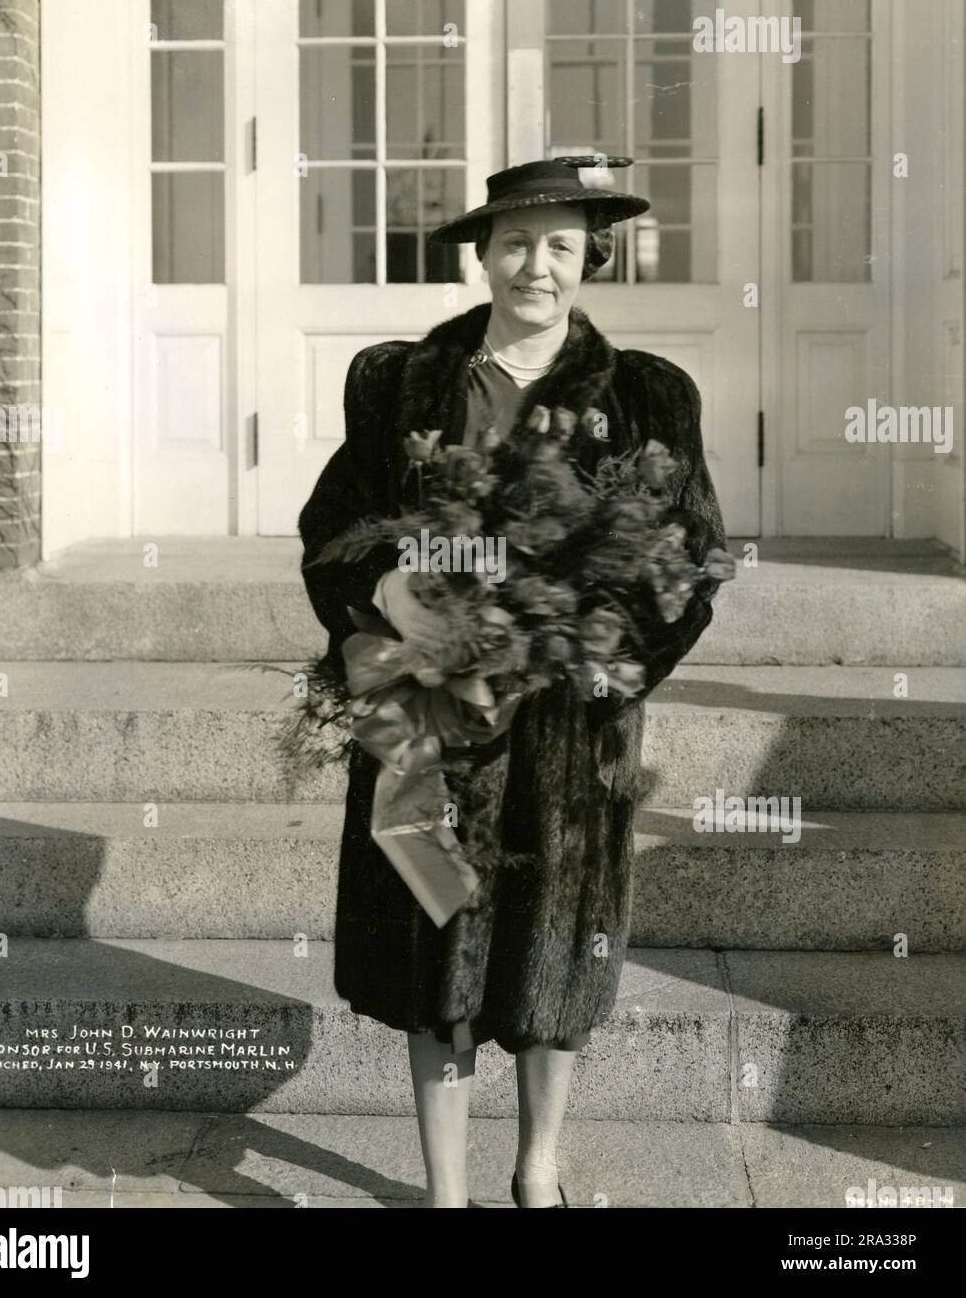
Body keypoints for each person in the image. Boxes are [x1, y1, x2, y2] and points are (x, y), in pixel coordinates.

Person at [298, 156, 727, 1208]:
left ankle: (537, 1169)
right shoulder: (399, 383)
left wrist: (597, 652)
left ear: (591, 257)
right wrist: (387, 595)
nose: (536, 265)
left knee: (550, 956)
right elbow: (329, 534)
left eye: (560, 244)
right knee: (430, 956)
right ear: (482, 253)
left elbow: (689, 563)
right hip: (426, 721)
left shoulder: (647, 399)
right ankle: (444, 1190)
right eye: (515, 243)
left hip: (568, 733)